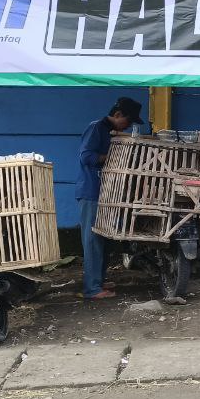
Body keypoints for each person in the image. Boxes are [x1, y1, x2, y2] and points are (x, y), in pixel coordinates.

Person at [77, 97, 144, 300]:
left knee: (104, 239)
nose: (129, 125)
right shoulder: (96, 128)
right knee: (92, 240)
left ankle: (99, 280)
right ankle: (92, 289)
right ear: (117, 115)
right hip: (91, 192)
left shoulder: (109, 131)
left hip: (105, 193)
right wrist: (113, 156)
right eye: (128, 121)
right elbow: (86, 156)